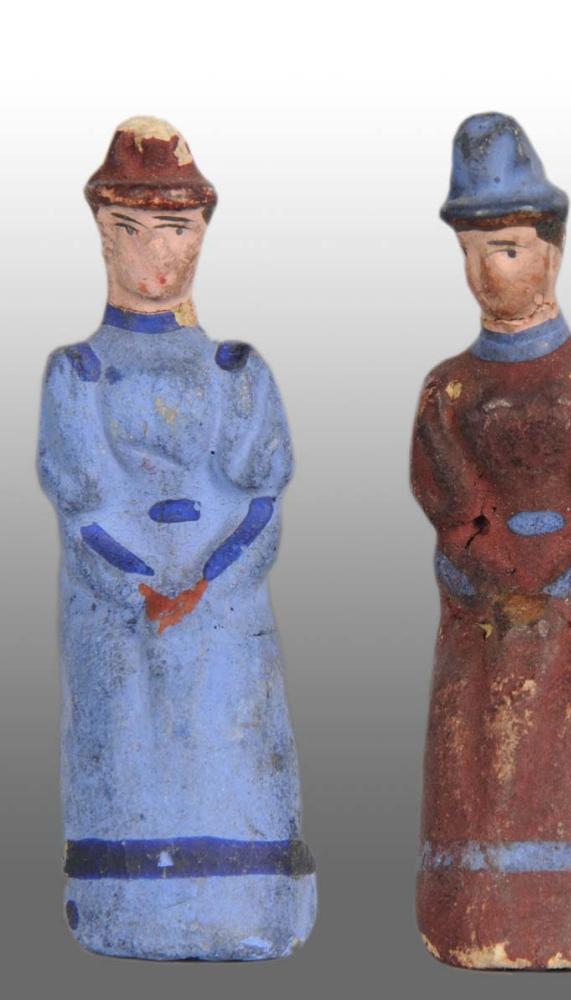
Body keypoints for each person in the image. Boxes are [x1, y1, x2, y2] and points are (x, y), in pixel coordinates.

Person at [37, 116, 316, 960]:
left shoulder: (237, 371)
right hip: (120, 611)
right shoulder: (78, 373)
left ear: (202, 232)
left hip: (223, 612)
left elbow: (261, 499)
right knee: (125, 741)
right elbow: (82, 510)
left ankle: (250, 893)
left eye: (177, 229)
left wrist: (205, 582)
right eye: (133, 229)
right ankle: (124, 897)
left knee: (234, 740)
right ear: (103, 233)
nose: (156, 253)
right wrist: (143, 587)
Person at [411, 112, 571, 969]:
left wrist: (558, 598)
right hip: (483, 625)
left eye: (511, 247)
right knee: (475, 758)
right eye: (475, 250)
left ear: (553, 250)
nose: (492, 269)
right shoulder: (448, 390)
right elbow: (452, 521)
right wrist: (493, 592)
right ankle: (473, 912)